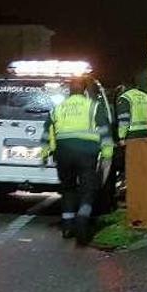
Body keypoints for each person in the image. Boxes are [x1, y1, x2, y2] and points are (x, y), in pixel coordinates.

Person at [42, 77, 114, 246]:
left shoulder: (58, 108)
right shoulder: (94, 106)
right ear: (84, 90)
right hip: (87, 153)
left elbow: (48, 131)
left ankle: (67, 226)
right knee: (88, 188)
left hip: (64, 153)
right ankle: (82, 218)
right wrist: (107, 153)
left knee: (68, 189)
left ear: (69, 90)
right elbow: (104, 129)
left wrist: (46, 152)